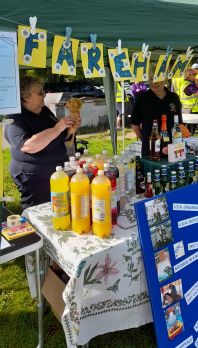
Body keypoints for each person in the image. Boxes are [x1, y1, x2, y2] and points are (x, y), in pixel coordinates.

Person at [5, 76, 80, 210]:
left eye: (43, 91)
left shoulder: (44, 111)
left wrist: (70, 130)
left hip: (55, 172)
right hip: (34, 178)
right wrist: (58, 127)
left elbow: (57, 137)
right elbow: (29, 145)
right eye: (40, 93)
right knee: (37, 212)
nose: (44, 95)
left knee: (59, 208)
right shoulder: (15, 119)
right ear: (25, 96)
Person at [131, 69, 183, 157]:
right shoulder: (142, 98)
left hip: (172, 147)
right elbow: (135, 124)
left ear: (165, 80)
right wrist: (145, 140)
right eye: (151, 79)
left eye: (158, 79)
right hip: (150, 149)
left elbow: (179, 123)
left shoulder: (174, 97)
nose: (154, 82)